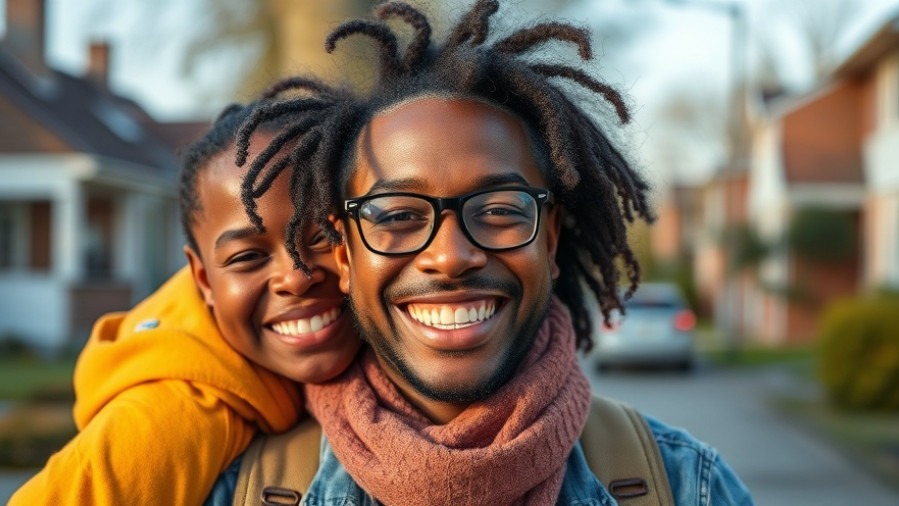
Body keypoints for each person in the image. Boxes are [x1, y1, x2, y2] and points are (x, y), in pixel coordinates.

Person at [206, 1, 754, 504]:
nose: (450, 257)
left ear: (550, 238)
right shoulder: (241, 487)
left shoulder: (686, 485)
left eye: (498, 210)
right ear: (345, 258)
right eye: (397, 214)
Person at [9, 97, 361, 505]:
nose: (296, 278)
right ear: (202, 279)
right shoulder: (167, 421)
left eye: (323, 238)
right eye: (248, 256)